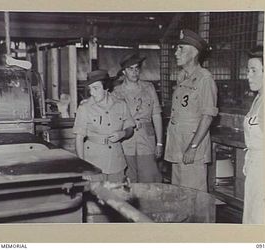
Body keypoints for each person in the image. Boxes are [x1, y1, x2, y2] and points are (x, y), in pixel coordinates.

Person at [164, 29, 218, 192]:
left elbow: (207, 117)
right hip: (177, 144)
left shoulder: (205, 79)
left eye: (181, 49)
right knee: (179, 194)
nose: (175, 52)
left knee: (194, 196)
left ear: (194, 53)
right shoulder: (182, 77)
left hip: (192, 147)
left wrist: (193, 147)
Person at [73, 69, 135, 182]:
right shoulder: (84, 108)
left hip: (116, 162)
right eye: (90, 89)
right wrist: (83, 166)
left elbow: (130, 128)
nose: (92, 93)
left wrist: (123, 134)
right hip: (93, 162)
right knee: (96, 197)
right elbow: (79, 138)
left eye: (96, 88)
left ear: (106, 88)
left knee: (117, 197)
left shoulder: (121, 104)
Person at [112, 53, 163, 183]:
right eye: (130, 69)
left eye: (137, 68)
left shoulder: (149, 88)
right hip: (126, 142)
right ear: (124, 71)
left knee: (150, 179)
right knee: (129, 180)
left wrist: (159, 143)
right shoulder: (116, 92)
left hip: (147, 141)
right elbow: (113, 120)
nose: (134, 72)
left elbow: (156, 115)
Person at [242, 45, 265, 224]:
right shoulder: (258, 98)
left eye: (254, 70)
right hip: (254, 169)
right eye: (248, 70)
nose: (248, 75)